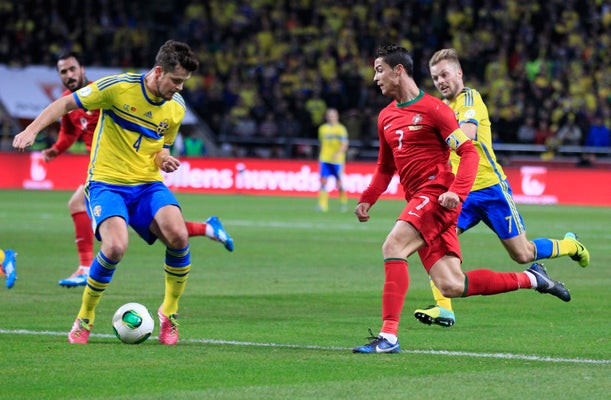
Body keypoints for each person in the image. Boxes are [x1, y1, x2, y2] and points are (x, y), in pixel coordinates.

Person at [352, 44, 571, 354]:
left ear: (398, 71)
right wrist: (368, 198)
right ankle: (533, 279)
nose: (375, 78)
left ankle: (388, 337)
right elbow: (385, 167)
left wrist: (457, 191)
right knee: (452, 285)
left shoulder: (435, 110)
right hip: (420, 199)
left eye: (379, 70)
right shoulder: (386, 117)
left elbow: (467, 150)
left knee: (393, 246)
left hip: (436, 195)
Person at [14, 40, 203, 345]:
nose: (180, 88)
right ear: (158, 71)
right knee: (115, 247)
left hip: (147, 184)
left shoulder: (176, 108)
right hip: (107, 183)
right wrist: (32, 130)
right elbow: (65, 104)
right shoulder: (117, 88)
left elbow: (161, 147)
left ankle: (169, 313)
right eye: (176, 80)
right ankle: (84, 318)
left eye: (184, 82)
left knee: (179, 236)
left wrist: (163, 159)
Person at [413, 48, 590, 328]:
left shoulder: (470, 99)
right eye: (435, 77)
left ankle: (570, 245)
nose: (440, 81)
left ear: (459, 73)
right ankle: (444, 308)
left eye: (445, 74)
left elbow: (467, 136)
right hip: (460, 193)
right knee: (434, 241)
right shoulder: (439, 108)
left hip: (491, 190)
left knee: (522, 254)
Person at [45, 52, 233, 288]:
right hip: (105, 169)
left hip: (128, 171)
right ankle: (207, 228)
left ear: (82, 68)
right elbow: (70, 131)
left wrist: (161, 155)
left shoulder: (103, 92)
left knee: (88, 207)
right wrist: (55, 150)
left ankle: (85, 267)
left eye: (73, 69)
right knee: (158, 229)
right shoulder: (70, 99)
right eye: (64, 72)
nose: (69, 75)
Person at [317, 108, 349, 212]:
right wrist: (320, 156)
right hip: (325, 158)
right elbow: (322, 143)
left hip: (337, 160)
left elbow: (345, 144)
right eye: (329, 116)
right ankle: (323, 205)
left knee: (338, 182)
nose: (331, 118)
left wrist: (338, 153)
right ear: (326, 117)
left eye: (333, 116)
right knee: (323, 181)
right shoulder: (322, 129)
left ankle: (343, 203)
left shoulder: (341, 129)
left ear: (337, 117)